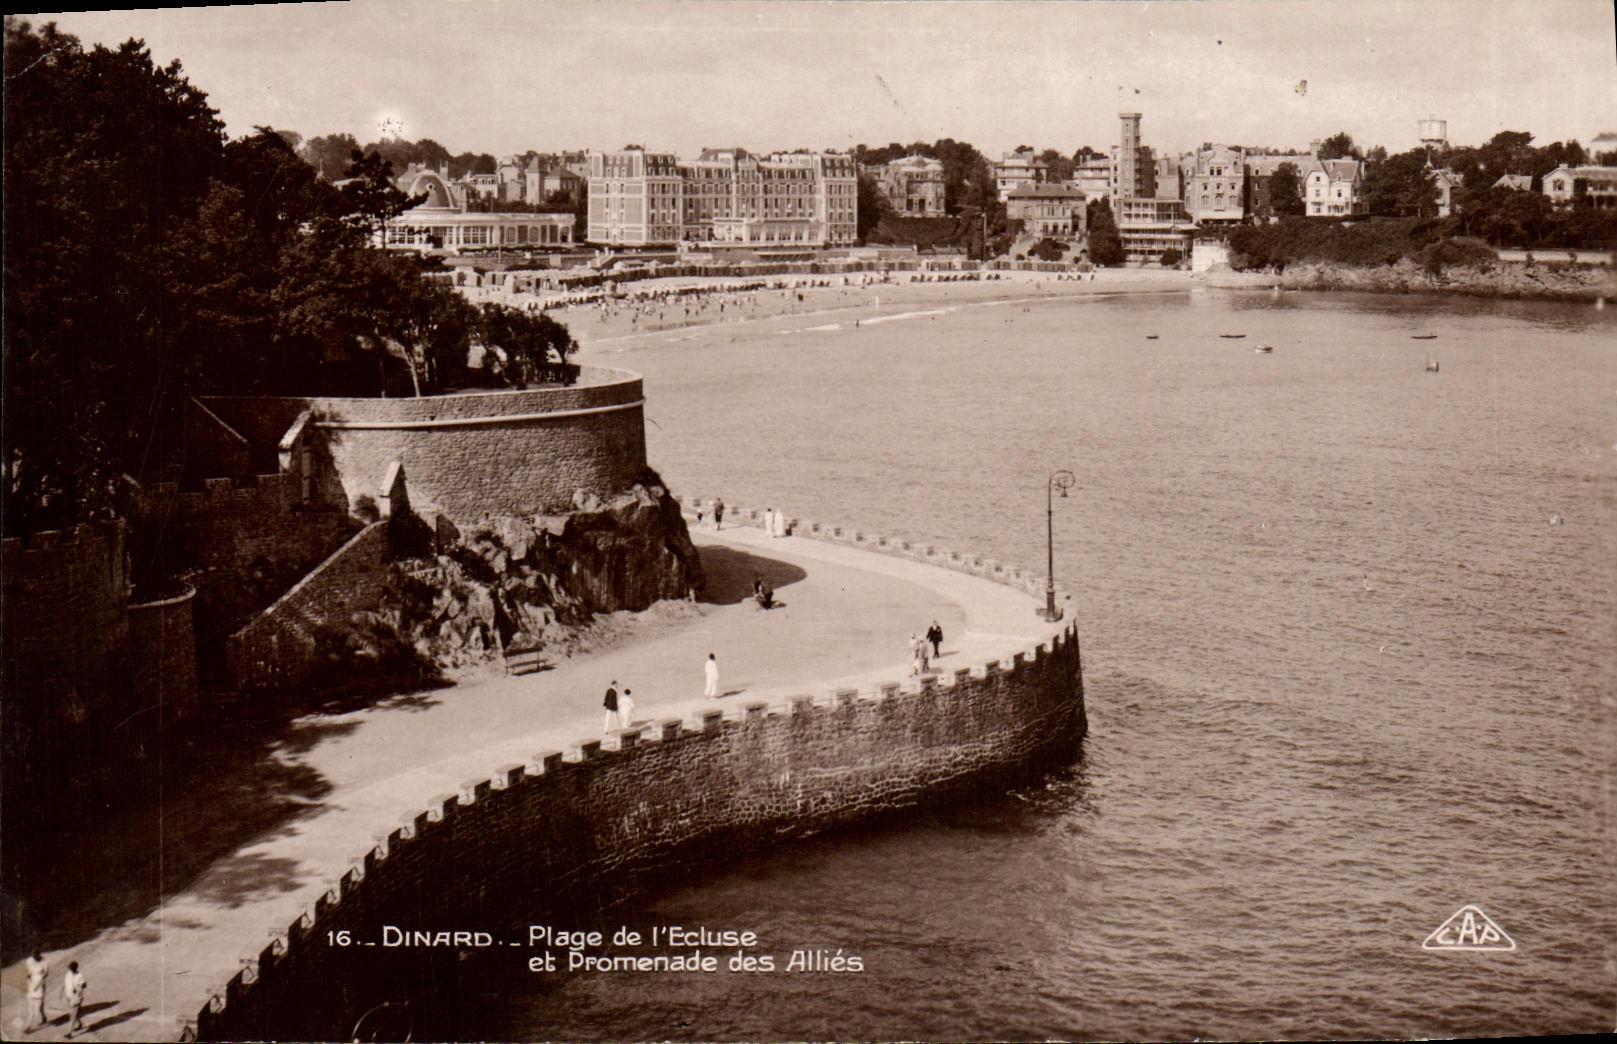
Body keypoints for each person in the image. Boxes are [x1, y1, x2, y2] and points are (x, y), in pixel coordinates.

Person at [24, 949, 48, 1033]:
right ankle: (43, 1018)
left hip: (40, 985)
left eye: (35, 956)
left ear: (39, 955)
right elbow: (27, 972)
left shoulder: (44, 961)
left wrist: (38, 981)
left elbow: (46, 973)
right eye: (33, 956)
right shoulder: (29, 960)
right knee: (31, 1006)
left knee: (38, 1005)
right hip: (31, 985)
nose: (33, 958)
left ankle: (28, 1026)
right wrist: (29, 978)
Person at [62, 960, 86, 1038]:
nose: (70, 969)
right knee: (73, 1013)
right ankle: (79, 1024)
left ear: (75, 968)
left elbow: (84, 985)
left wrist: (78, 988)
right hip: (68, 996)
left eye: (71, 968)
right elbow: (66, 984)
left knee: (72, 1015)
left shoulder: (79, 975)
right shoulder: (68, 975)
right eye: (70, 968)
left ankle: (69, 1033)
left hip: (76, 997)